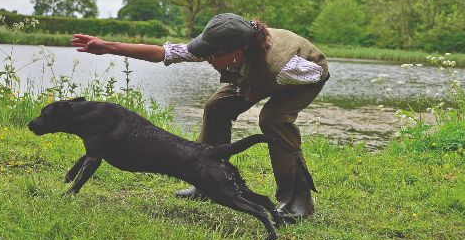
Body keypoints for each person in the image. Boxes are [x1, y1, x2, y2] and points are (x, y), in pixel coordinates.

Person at [71, 13, 329, 222]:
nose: (205, 59)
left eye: (211, 55)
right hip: (257, 73)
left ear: (236, 52)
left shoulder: (286, 67)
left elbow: (318, 74)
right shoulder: (227, 45)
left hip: (300, 80)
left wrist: (266, 87)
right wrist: (107, 47)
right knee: (216, 106)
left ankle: (298, 200)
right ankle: (206, 180)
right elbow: (163, 53)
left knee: (273, 119)